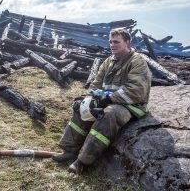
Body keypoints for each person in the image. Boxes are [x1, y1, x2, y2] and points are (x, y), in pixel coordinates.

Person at [52, 28, 152, 175]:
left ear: (127, 43)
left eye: (116, 42)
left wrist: (109, 99)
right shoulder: (108, 61)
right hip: (108, 100)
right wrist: (88, 98)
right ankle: (69, 150)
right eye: (110, 42)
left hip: (130, 105)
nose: (112, 45)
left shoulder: (137, 61)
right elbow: (96, 83)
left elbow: (135, 91)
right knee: (81, 107)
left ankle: (82, 161)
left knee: (107, 115)